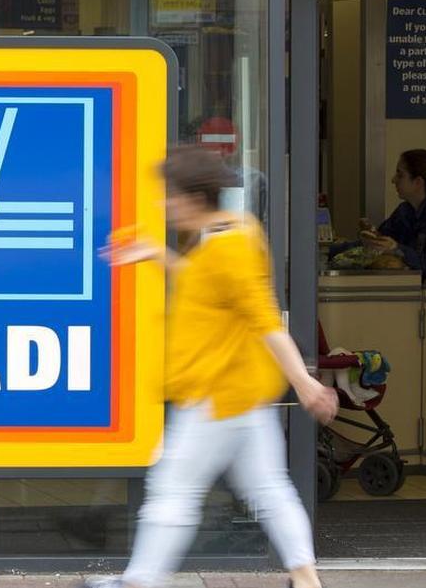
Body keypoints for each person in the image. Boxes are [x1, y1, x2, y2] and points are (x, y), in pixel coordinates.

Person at [91, 146, 338, 588]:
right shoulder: (231, 232)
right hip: (241, 398)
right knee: (270, 490)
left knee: (171, 493)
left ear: (191, 198)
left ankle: (140, 582)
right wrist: (155, 254)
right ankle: (306, 578)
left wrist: (305, 384)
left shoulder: (230, 246)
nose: (163, 203)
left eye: (169, 195)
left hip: (214, 398)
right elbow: (204, 286)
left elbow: (264, 321)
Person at [357, 149, 426, 286]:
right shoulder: (405, 211)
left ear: (418, 182)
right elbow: (383, 239)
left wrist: (398, 249)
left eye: (400, 175)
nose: (393, 180)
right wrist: (371, 237)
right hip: (419, 291)